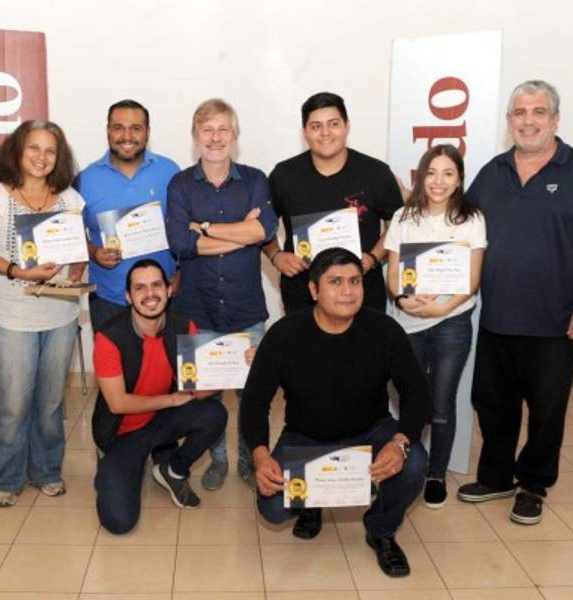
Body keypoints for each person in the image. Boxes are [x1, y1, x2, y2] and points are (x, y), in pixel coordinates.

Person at [457, 80, 573, 524]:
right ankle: (495, 477)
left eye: (538, 111)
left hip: (556, 323)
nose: (527, 120)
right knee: (492, 404)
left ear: (555, 119)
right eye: (519, 112)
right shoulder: (492, 172)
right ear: (509, 120)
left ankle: (532, 484)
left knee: (547, 411)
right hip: (495, 319)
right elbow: (459, 228)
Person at [240, 248, 430, 578]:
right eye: (336, 282)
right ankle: (310, 503)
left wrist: (399, 442)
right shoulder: (284, 335)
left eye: (355, 281)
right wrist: (260, 456)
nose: (347, 291)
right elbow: (254, 402)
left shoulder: (385, 331)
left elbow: (417, 395)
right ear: (314, 290)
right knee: (271, 507)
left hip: (370, 430)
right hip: (306, 437)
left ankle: (381, 530)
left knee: (414, 463)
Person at [165, 98, 278, 490]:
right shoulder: (180, 184)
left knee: (253, 395)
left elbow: (263, 231)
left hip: (247, 310)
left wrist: (207, 228)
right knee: (206, 395)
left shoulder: (254, 180)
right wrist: (237, 232)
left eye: (223, 129)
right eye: (207, 130)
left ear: (235, 136)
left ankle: (249, 458)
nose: (216, 138)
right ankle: (218, 459)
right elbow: (180, 242)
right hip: (197, 309)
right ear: (196, 137)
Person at [0, 120, 86, 507]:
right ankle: (7, 478)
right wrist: (21, 272)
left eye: (50, 151)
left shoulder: (70, 198)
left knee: (52, 402)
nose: (41, 157)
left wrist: (77, 267)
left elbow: (76, 251)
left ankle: (47, 471)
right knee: (14, 402)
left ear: (59, 158)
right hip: (12, 314)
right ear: (17, 152)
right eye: (33, 149)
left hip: (60, 314)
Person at [384, 144, 486, 509]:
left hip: (451, 322)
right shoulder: (403, 217)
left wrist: (441, 307)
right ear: (420, 175)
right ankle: (404, 466)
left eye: (448, 173)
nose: (438, 181)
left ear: (459, 179)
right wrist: (402, 300)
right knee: (410, 401)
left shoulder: (471, 219)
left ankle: (435, 474)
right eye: (431, 172)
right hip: (407, 322)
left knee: (442, 404)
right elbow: (393, 272)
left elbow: (471, 280)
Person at [92, 259, 227, 533]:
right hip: (122, 434)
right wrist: (172, 400)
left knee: (215, 413)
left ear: (169, 289)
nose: (150, 294)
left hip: (161, 424)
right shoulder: (108, 337)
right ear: (128, 297)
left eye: (156, 285)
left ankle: (172, 470)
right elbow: (117, 403)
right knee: (118, 522)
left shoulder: (183, 326)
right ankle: (118, 465)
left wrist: (234, 368)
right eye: (140, 288)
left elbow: (201, 388)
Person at [263, 91, 403, 314]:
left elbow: (398, 224)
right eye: (316, 126)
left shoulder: (376, 172)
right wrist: (275, 255)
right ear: (305, 132)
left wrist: (374, 257)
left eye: (334, 124)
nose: (325, 133)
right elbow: (261, 226)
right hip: (303, 298)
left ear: (347, 126)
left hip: (362, 296)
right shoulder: (284, 175)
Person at [77, 100, 180, 332]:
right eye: (118, 127)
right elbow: (73, 236)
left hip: (162, 297)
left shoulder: (170, 172)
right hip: (108, 299)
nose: (127, 136)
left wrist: (181, 274)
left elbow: (186, 227)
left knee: (166, 368)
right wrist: (93, 252)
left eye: (136, 128)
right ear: (107, 131)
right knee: (112, 368)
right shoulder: (86, 179)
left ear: (147, 132)